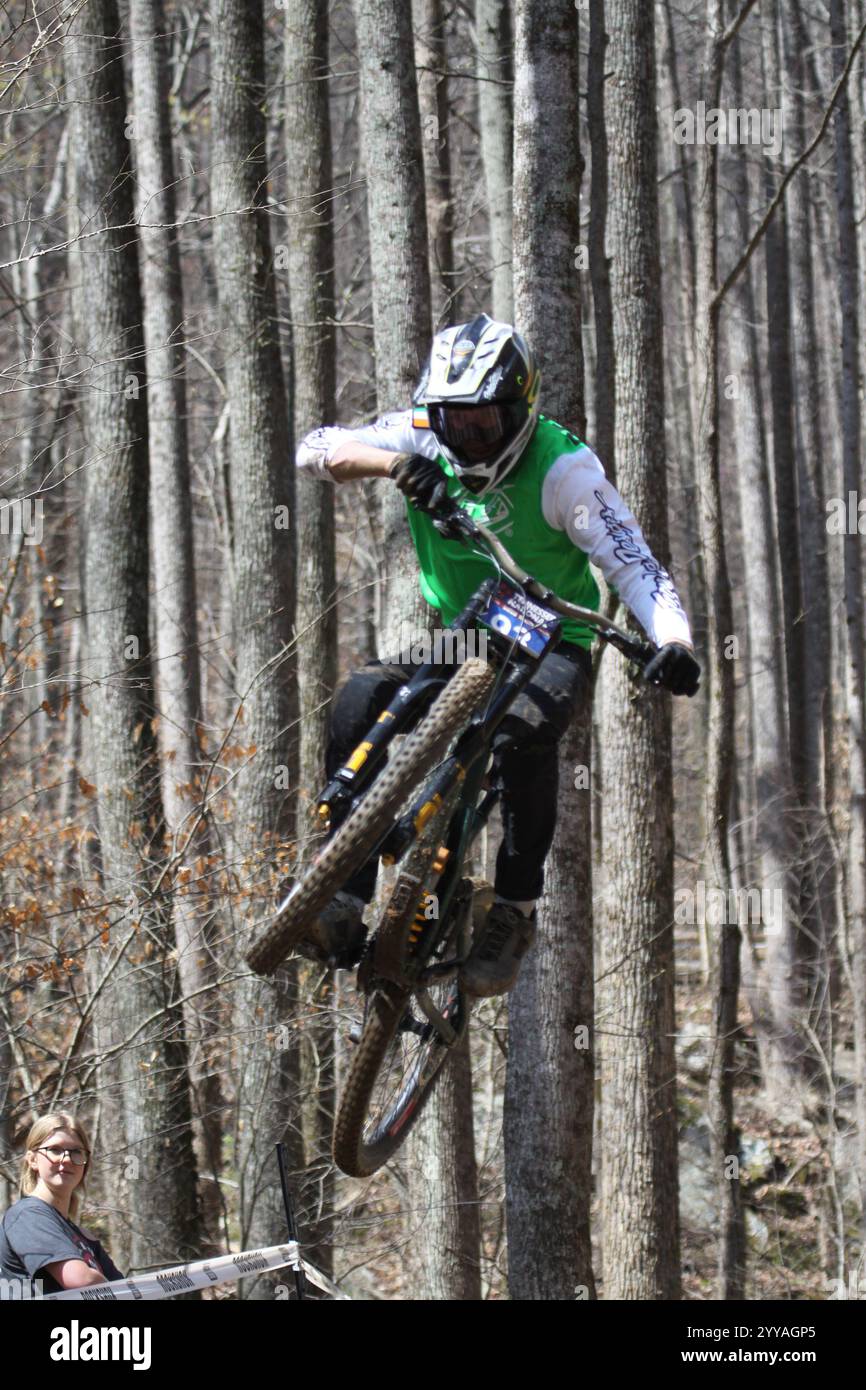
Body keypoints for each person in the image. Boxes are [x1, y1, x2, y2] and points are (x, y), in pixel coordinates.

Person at [296, 313, 700, 996]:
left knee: (524, 734)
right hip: (472, 630)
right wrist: (397, 463)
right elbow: (317, 448)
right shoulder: (425, 435)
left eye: (484, 425)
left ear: (521, 411)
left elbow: (634, 564)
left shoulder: (565, 470)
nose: (469, 439)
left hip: (555, 637)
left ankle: (513, 911)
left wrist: (674, 641)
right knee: (359, 699)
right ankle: (342, 896)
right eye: (455, 423)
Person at [0, 1111, 123, 1295]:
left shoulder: (82, 1236)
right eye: (55, 1150)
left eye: (76, 1152)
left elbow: (130, 1290)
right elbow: (81, 1281)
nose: (66, 1159)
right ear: (33, 1160)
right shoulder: (27, 1216)